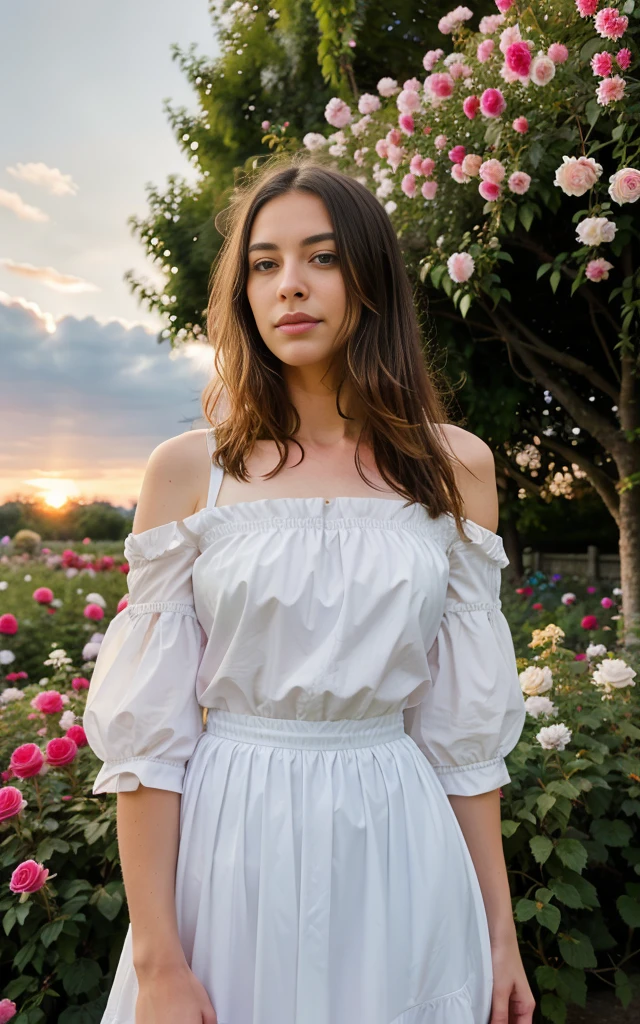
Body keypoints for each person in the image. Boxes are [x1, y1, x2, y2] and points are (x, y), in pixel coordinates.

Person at [83, 155, 533, 1024]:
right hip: (233, 846)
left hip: (402, 846)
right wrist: (158, 961)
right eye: (264, 263)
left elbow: (464, 740)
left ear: (370, 279)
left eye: (321, 257)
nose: (290, 285)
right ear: (244, 290)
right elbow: (148, 744)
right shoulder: (188, 472)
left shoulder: (455, 468)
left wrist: (499, 934)